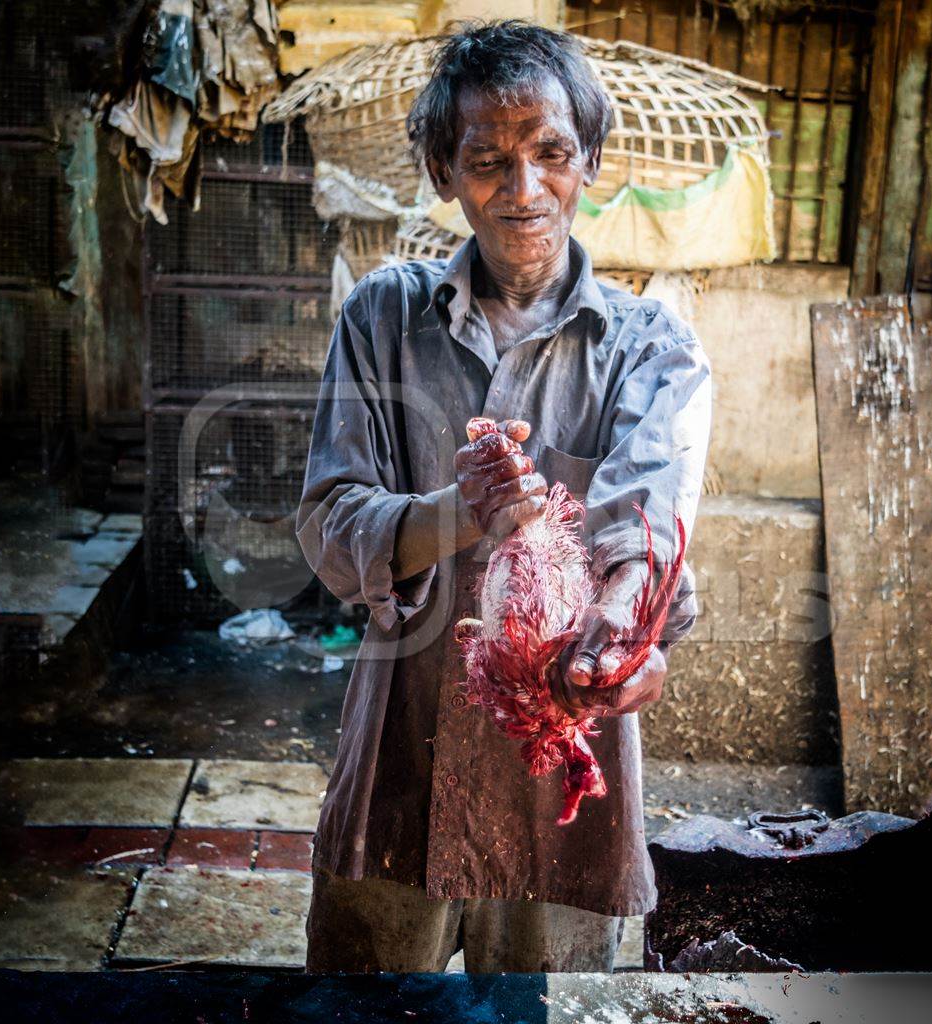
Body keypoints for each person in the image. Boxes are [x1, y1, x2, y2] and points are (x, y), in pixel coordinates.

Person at [296, 20, 712, 973]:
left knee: (548, 1005)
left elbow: (646, 525)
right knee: (364, 1000)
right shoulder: (382, 318)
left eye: (552, 154)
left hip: (563, 793)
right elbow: (326, 526)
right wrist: (457, 512)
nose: (524, 192)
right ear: (445, 171)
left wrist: (625, 629)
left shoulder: (653, 347)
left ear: (590, 159)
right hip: (402, 757)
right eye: (487, 160)